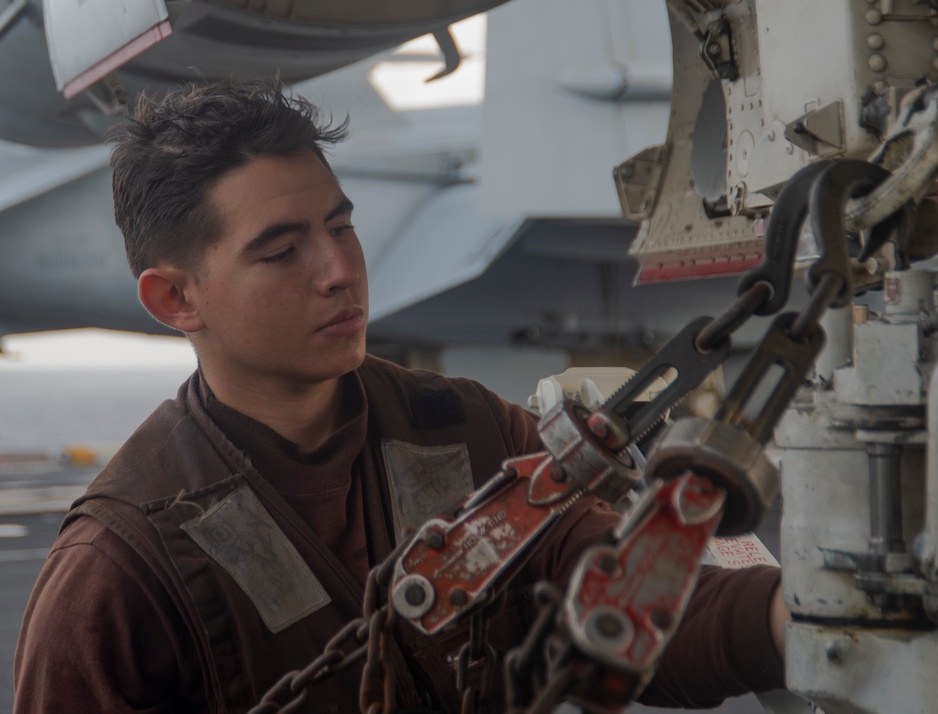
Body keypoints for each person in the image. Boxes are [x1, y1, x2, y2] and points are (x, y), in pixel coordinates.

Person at [14, 80, 787, 713]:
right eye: (282, 251)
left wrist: (789, 619)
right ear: (175, 299)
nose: (337, 269)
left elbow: (624, 592)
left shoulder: (466, 430)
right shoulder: (118, 569)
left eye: (341, 227)